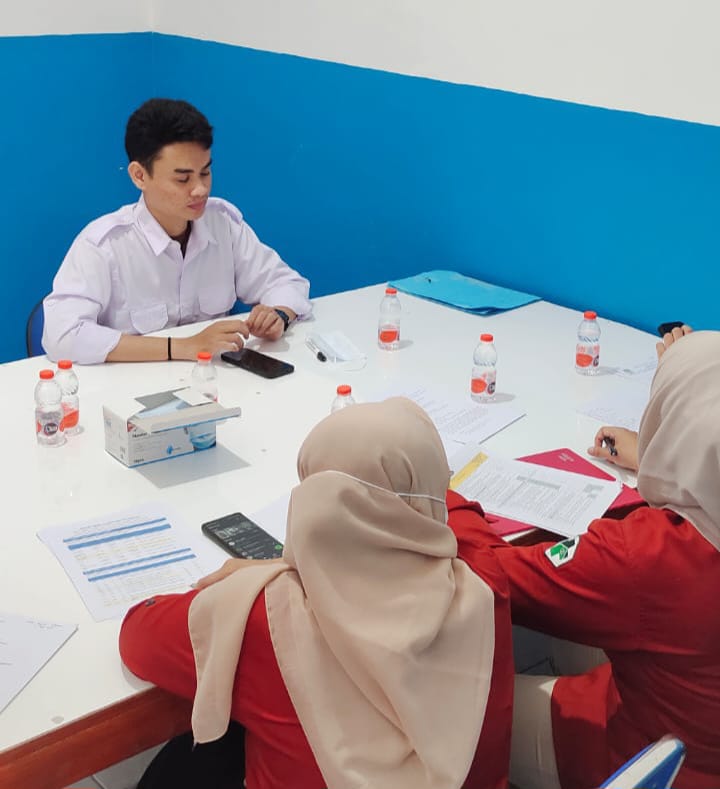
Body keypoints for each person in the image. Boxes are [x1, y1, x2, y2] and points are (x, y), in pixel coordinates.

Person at [120, 397, 513, 789]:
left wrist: (271, 572)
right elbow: (448, 508)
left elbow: (139, 635)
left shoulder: (270, 616)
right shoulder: (483, 581)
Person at [447, 329, 720, 789]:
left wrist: (442, 493)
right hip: (699, 728)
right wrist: (656, 457)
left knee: (457, 708)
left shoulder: (649, 555)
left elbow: (496, 576)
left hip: (650, 756)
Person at [43, 98, 311, 364]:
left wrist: (279, 314)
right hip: (132, 383)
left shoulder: (222, 224)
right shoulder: (104, 245)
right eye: (183, 179)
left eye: (205, 173)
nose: (200, 190)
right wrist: (182, 347)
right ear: (139, 176)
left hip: (215, 378)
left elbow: (286, 283)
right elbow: (61, 335)